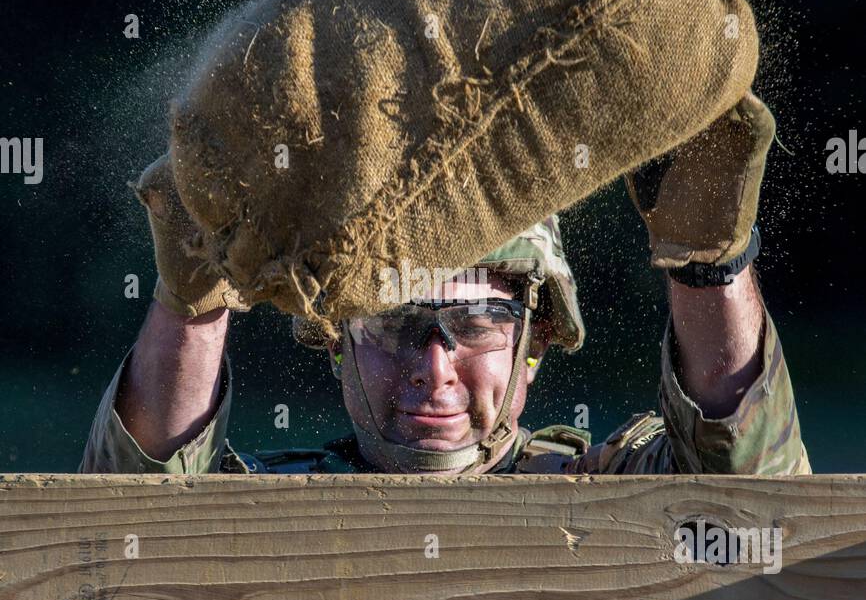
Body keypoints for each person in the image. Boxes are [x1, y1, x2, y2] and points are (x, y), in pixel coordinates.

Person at [80, 142, 810, 477]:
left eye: (477, 325)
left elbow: (748, 486)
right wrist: (196, 294)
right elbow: (129, 518)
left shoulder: (609, 487)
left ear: (537, 339)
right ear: (335, 339)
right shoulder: (266, 509)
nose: (434, 368)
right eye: (395, 323)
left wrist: (708, 259)